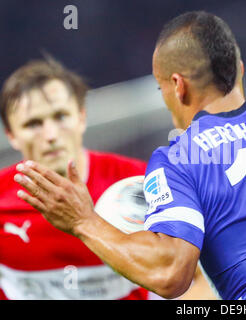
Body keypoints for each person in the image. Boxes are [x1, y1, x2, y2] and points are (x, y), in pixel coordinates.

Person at [14, 11, 246, 300]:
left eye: (160, 87)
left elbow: (171, 274)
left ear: (177, 86)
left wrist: (83, 221)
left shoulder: (178, 160)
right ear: (240, 70)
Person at [0, 58, 151, 299]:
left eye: (60, 116)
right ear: (12, 135)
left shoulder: (139, 183)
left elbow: (193, 278)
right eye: (33, 123)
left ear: (81, 117)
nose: (50, 135)